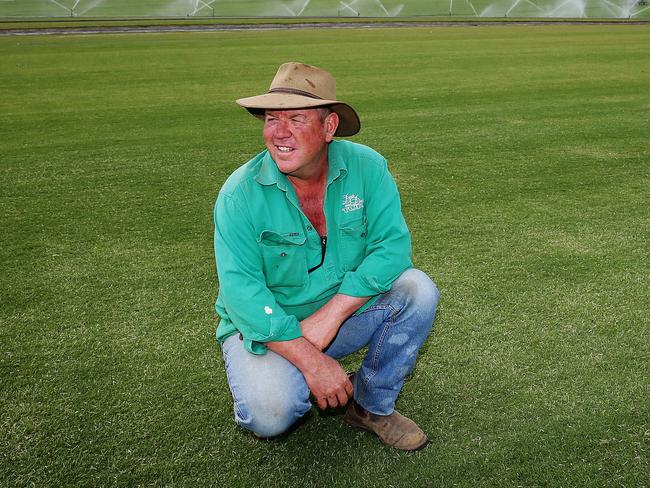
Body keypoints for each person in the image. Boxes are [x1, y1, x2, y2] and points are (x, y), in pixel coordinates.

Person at [213, 62, 439, 451]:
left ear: (329, 127)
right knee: (269, 414)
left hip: (339, 314)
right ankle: (296, 377)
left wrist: (331, 316)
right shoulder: (239, 194)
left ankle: (371, 406)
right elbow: (242, 295)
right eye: (271, 119)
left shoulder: (368, 168)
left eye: (296, 119)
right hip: (267, 329)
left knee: (416, 289)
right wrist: (309, 359)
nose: (279, 133)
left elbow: (392, 249)